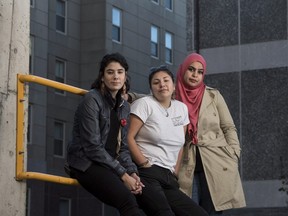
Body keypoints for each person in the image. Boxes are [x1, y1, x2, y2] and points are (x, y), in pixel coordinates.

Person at [66, 53, 144, 216]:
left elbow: (122, 148)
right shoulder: (92, 100)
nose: (115, 76)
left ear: (125, 76)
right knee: (127, 201)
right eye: (110, 72)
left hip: (108, 165)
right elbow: (93, 148)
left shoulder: (124, 107)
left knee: (140, 198)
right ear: (102, 77)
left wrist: (132, 172)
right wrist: (123, 175)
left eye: (120, 72)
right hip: (85, 163)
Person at [127, 65, 208, 216]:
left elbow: (181, 144)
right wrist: (144, 164)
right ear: (151, 88)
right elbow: (128, 137)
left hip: (169, 177)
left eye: (166, 80)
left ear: (174, 85)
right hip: (147, 173)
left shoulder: (181, 108)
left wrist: (175, 172)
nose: (162, 85)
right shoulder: (145, 104)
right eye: (156, 82)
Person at [176, 53, 246, 215]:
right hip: (186, 162)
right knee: (186, 209)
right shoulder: (173, 94)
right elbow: (151, 100)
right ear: (183, 69)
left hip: (216, 160)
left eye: (200, 72)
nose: (195, 75)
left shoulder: (214, 95)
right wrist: (130, 97)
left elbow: (228, 127)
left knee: (212, 211)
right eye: (191, 69)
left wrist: (234, 153)